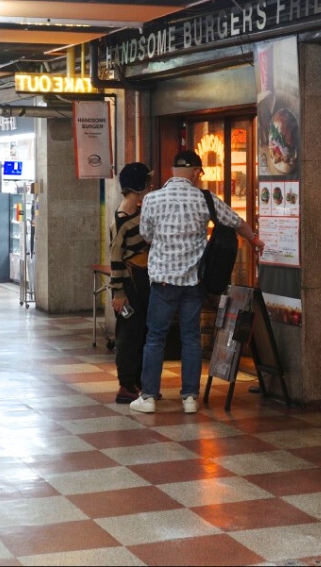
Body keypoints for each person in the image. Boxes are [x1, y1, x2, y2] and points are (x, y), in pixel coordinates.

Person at [130, 150, 264, 414]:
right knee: (191, 338)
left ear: (172, 171)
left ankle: (147, 398)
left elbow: (146, 236)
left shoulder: (152, 200)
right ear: (194, 172)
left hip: (163, 282)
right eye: (199, 173)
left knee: (155, 337)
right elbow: (236, 222)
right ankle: (189, 397)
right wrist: (255, 240)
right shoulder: (205, 198)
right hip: (193, 282)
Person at [109, 162, 153, 404]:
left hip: (137, 282)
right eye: (147, 182)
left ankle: (134, 382)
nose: (150, 186)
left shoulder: (132, 214)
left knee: (137, 332)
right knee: (130, 334)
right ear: (139, 186)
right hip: (131, 284)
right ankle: (127, 385)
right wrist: (118, 292)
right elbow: (115, 257)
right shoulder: (125, 220)